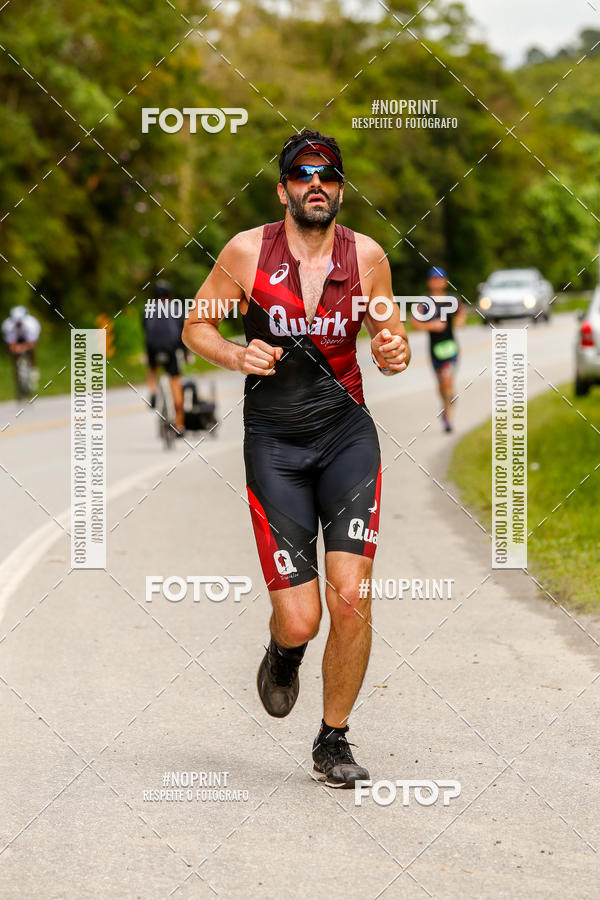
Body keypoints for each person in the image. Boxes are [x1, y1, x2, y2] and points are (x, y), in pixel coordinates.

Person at [182, 129, 410, 788]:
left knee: (351, 598)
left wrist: (395, 350)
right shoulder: (247, 252)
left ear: (340, 189)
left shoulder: (365, 256)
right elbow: (199, 324)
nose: (318, 185)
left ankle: (332, 739)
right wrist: (235, 353)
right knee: (302, 617)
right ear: (283, 188)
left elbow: (389, 331)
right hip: (276, 445)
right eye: (304, 174)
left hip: (347, 439)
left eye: (329, 176)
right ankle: (284, 652)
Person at [412, 266, 466, 432]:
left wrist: (459, 322)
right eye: (434, 279)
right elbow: (415, 323)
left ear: (445, 281)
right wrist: (431, 326)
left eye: (440, 278)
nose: (437, 282)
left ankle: (448, 418)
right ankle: (445, 404)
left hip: (451, 348)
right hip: (435, 350)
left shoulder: (452, 299)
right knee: (442, 385)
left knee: (448, 380)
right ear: (429, 282)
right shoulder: (424, 302)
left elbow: (461, 313)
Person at [142, 279, 186, 434]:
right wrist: (186, 354)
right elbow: (183, 334)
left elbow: (146, 331)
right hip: (171, 348)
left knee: (152, 368)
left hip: (153, 348)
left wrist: (148, 352)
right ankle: (179, 424)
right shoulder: (176, 308)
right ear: (169, 295)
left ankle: (153, 392)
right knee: (175, 381)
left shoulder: (147, 309)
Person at [1, 305, 41, 397]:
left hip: (29, 338)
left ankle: (33, 368)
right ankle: (17, 381)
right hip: (16, 340)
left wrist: (23, 348)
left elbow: (31, 343)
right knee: (13, 357)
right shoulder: (7, 326)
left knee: (31, 351)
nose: (18, 323)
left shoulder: (32, 324)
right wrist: (16, 349)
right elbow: (11, 344)